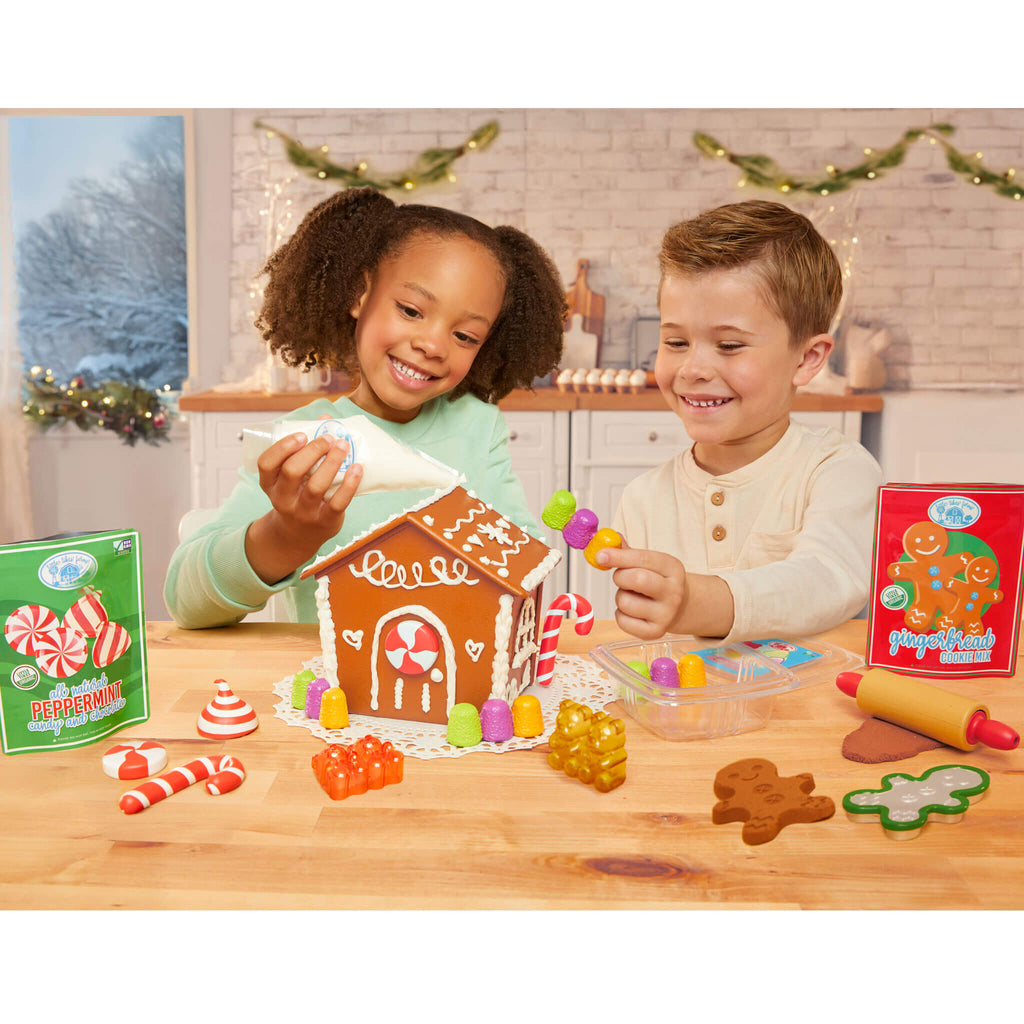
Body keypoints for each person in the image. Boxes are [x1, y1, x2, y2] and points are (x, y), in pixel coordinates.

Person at [165, 187, 566, 628]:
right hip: (328, 693)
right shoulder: (303, 442)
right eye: (411, 310)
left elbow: (526, 563)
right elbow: (186, 604)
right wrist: (286, 536)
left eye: (465, 336)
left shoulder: (479, 427)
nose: (432, 345)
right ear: (360, 294)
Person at [597, 200, 883, 642]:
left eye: (729, 345)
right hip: (684, 710)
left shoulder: (837, 470)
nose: (693, 368)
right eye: (676, 341)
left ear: (807, 360)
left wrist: (697, 602)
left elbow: (829, 579)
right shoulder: (642, 500)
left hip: (808, 711)